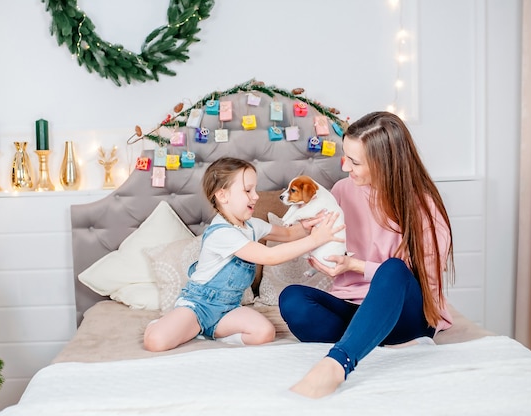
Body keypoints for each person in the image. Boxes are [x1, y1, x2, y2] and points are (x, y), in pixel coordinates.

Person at [279, 111, 455, 398]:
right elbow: (325, 234)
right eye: (345, 156)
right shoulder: (341, 190)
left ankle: (337, 364)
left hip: (408, 315)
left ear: (383, 163)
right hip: (354, 305)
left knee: (394, 269)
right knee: (293, 300)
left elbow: (424, 279)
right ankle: (368, 331)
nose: (345, 166)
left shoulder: (422, 205)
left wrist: (356, 265)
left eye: (355, 161)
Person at [144, 157, 344, 352]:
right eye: (248, 190)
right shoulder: (222, 233)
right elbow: (269, 256)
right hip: (198, 306)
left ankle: (210, 332)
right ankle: (178, 324)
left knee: (264, 333)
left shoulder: (253, 226)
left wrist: (312, 224)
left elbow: (289, 233)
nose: (256, 196)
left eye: (255, 189)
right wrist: (316, 240)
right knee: (156, 342)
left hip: (228, 308)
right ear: (223, 196)